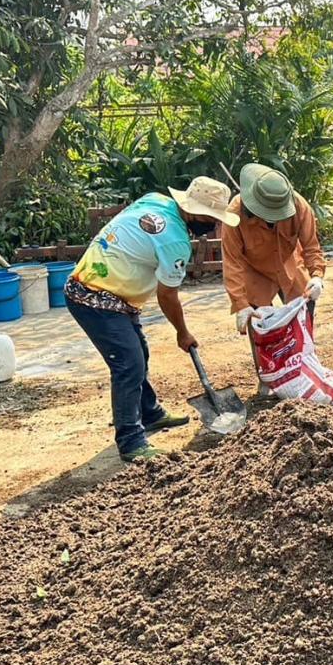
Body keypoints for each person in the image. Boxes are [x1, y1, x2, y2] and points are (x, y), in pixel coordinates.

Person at [65, 176, 239, 462]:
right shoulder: (175, 241)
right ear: (194, 211)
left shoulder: (156, 200)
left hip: (113, 293)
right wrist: (183, 332)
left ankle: (151, 413)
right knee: (128, 364)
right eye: (211, 218)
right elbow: (167, 296)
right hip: (94, 296)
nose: (215, 226)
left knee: (139, 353)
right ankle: (131, 441)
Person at [222, 162, 325, 335]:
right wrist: (240, 304)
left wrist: (317, 277)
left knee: (302, 320)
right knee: (259, 328)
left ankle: (302, 357)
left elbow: (311, 247)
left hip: (290, 264)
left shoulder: (299, 206)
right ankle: (263, 362)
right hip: (254, 272)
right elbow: (232, 262)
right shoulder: (234, 215)